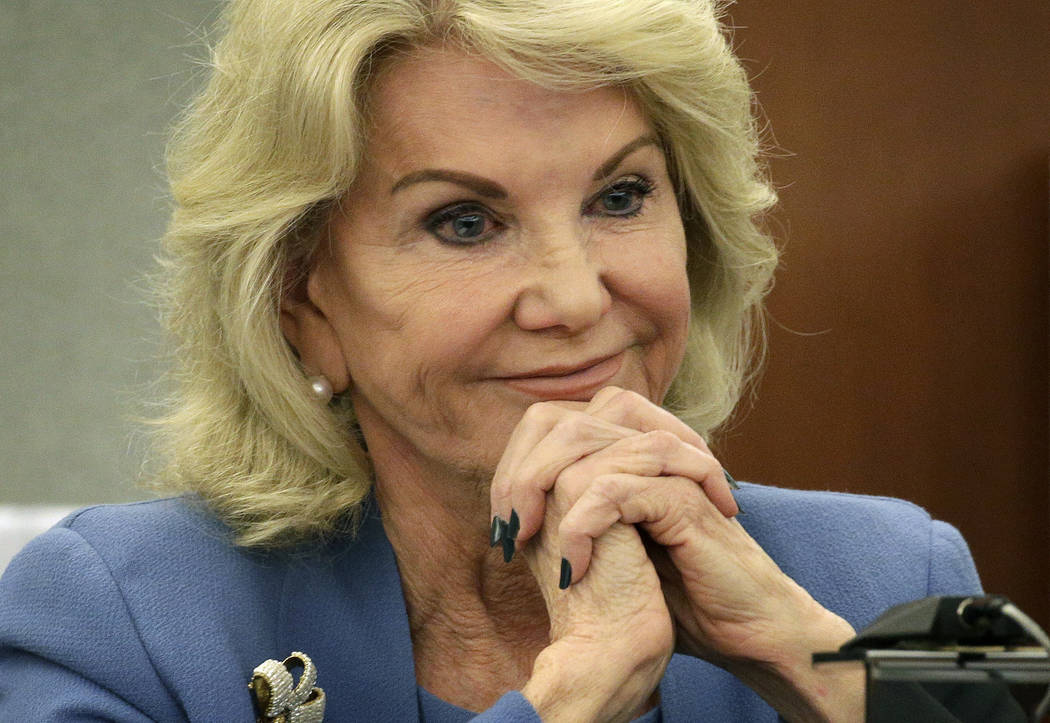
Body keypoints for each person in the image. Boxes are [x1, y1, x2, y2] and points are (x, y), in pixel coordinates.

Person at [0, 0, 982, 720]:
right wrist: (573, 699)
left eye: (621, 196)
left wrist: (823, 664)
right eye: (464, 221)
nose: (576, 297)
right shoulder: (110, 617)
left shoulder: (898, 565)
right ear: (304, 303)